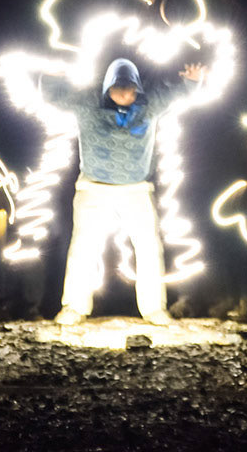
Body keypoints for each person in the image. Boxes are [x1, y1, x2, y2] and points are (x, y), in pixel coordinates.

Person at [37, 56, 205, 324]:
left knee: (149, 247)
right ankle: (74, 307)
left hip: (136, 189)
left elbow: (176, 95)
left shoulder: (148, 106)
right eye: (118, 88)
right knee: (83, 247)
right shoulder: (87, 104)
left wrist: (192, 82)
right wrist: (51, 75)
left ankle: (153, 308)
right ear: (107, 88)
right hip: (93, 188)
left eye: (130, 89)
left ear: (137, 87)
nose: (125, 94)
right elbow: (52, 98)